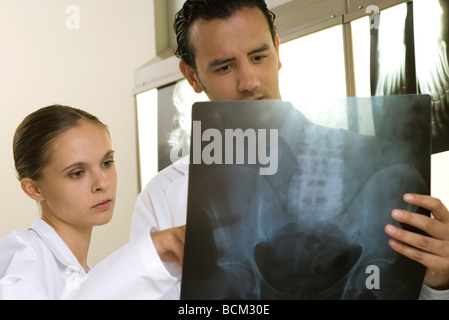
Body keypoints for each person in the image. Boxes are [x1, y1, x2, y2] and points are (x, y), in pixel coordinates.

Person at [131, 0, 449, 299]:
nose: (249, 81)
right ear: (192, 76)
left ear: (278, 51)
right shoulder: (161, 199)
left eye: (258, 57)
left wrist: (440, 279)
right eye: (225, 67)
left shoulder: (373, 163)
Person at [0, 105, 185, 299]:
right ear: (34, 189)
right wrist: (148, 252)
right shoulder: (22, 258)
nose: (102, 183)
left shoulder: (82, 273)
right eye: (77, 173)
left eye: (106, 163)